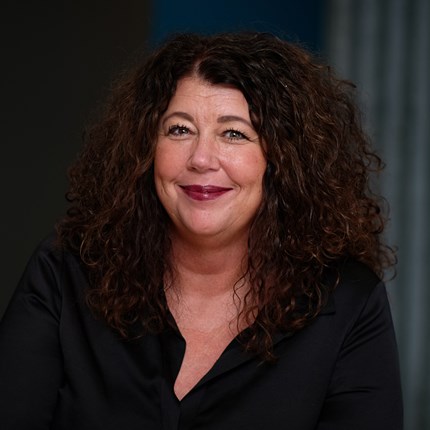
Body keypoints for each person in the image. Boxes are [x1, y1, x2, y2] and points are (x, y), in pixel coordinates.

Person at [0, 32, 402, 429]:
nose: (201, 158)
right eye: (179, 129)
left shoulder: (347, 301)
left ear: (283, 160)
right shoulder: (66, 269)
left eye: (234, 133)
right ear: (145, 148)